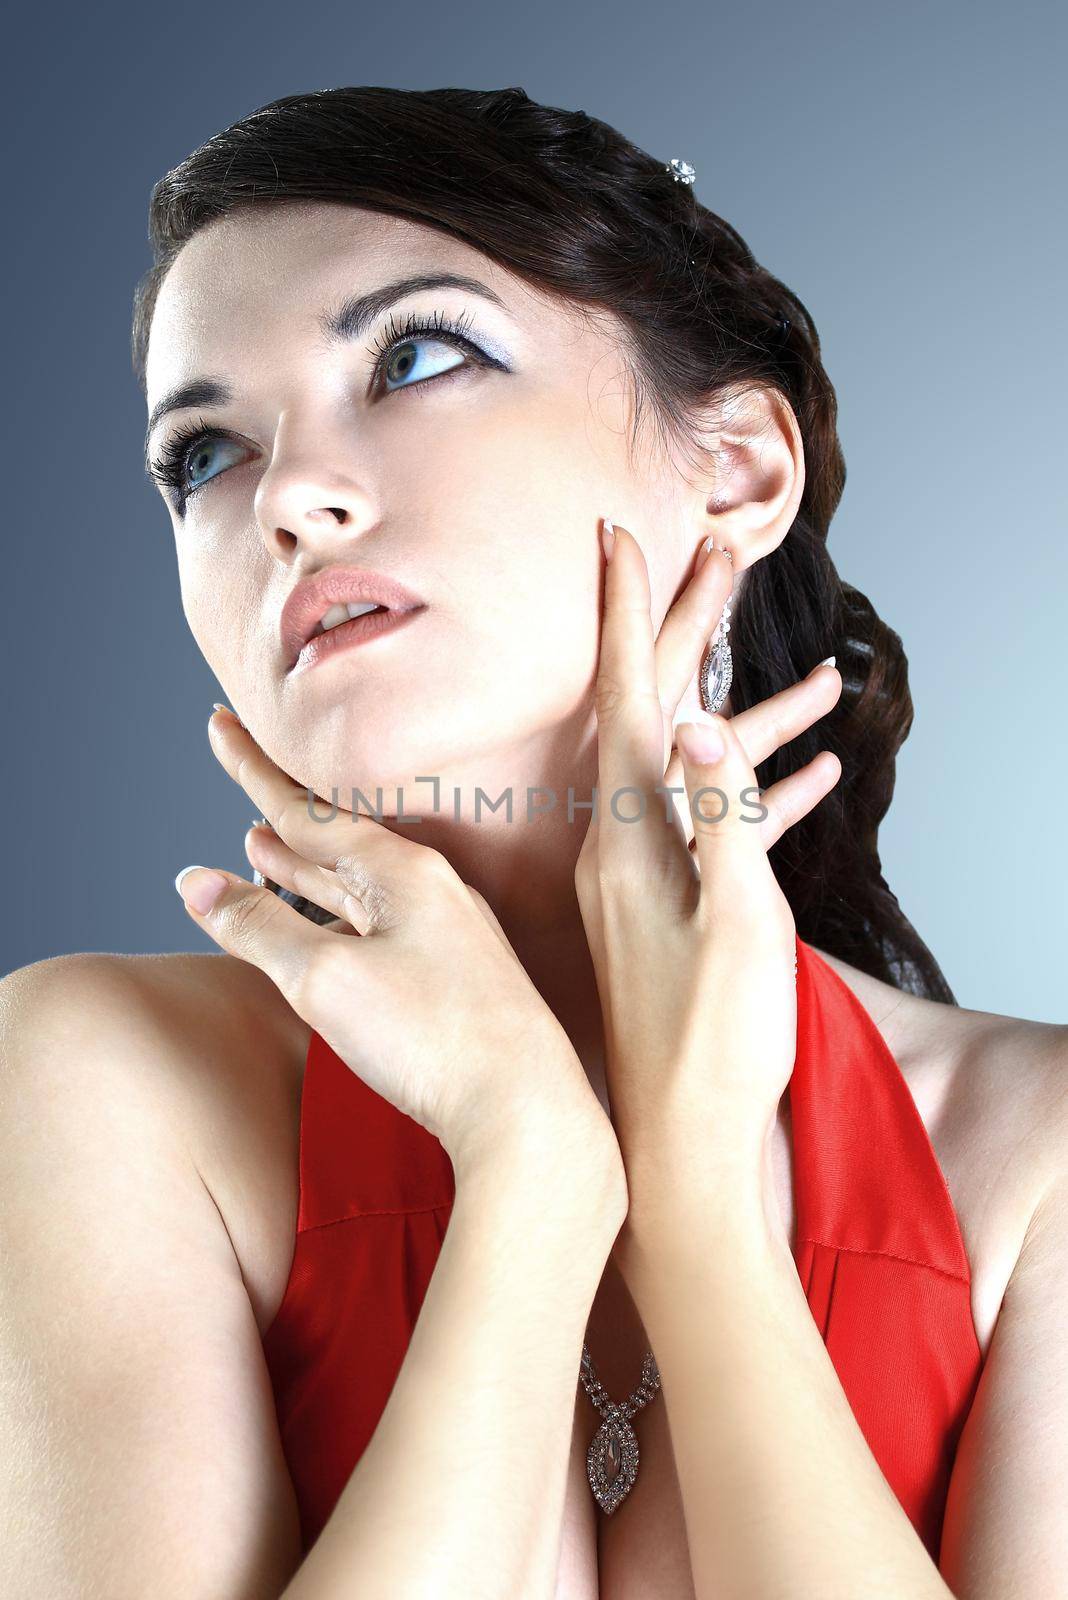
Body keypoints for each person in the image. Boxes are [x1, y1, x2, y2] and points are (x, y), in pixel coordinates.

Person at [2, 84, 1064, 1600]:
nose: (289, 498)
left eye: (416, 357)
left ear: (740, 469)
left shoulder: (1038, 1162)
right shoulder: (102, 1083)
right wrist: (531, 1170)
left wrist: (697, 1199)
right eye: (204, 457)